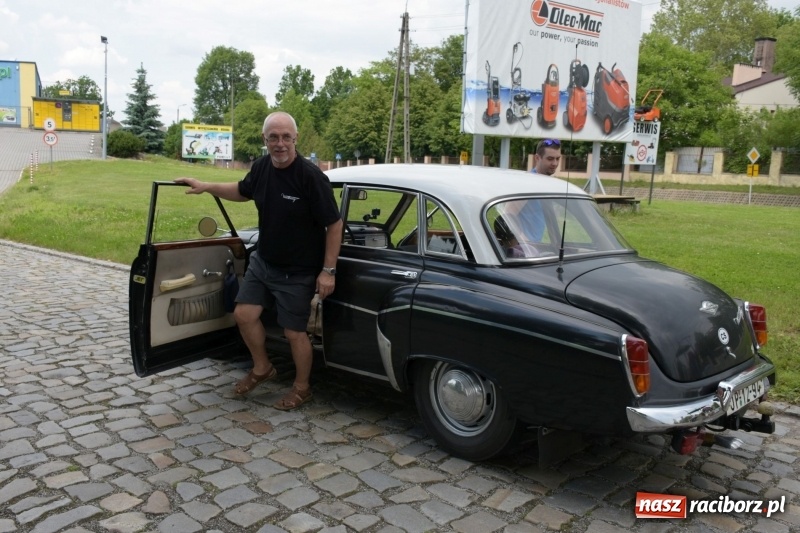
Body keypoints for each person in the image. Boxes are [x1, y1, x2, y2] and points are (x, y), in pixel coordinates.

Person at [175, 111, 343, 411]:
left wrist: (328, 271)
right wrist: (206, 186)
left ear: (296, 139)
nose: (280, 144)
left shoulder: (311, 177)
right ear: (265, 140)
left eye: (285, 137)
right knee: (244, 314)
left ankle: (302, 388)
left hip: (299, 269)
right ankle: (262, 368)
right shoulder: (263, 166)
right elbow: (243, 191)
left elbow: (334, 224)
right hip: (264, 262)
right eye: (273, 138)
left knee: (294, 332)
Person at [520, 139, 562, 241]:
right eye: (550, 159)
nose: (555, 163)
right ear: (537, 158)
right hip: (524, 250)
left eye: (557, 159)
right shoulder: (527, 183)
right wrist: (526, 245)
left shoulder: (544, 184)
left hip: (536, 248)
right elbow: (507, 216)